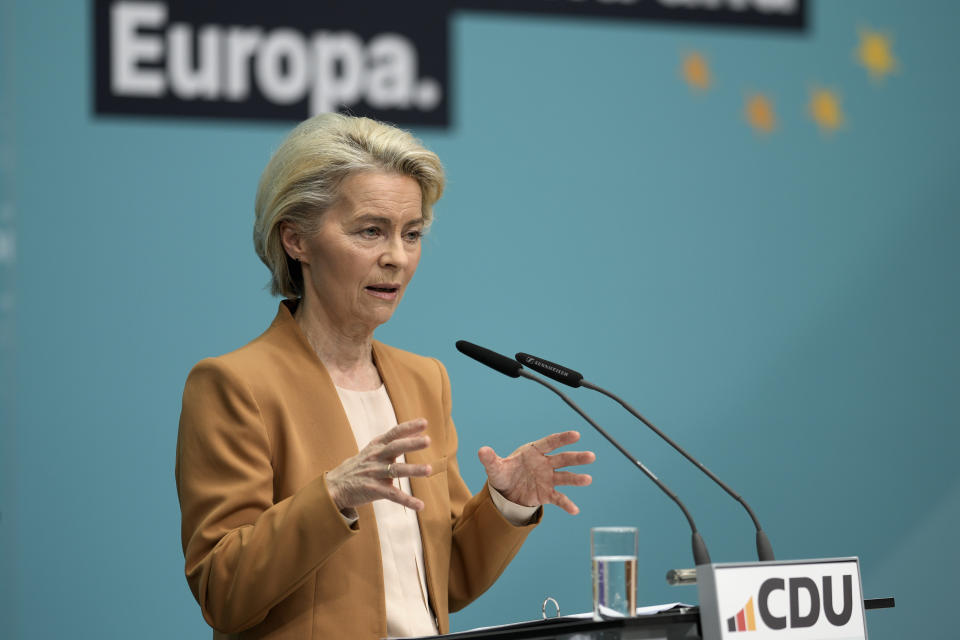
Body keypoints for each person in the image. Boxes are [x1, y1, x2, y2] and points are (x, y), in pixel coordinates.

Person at [176, 113, 596, 639]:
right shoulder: (235, 385)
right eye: (370, 231)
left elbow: (450, 581)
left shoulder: (424, 380)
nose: (396, 257)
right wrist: (332, 496)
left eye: (411, 234)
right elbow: (223, 590)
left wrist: (507, 504)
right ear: (295, 240)